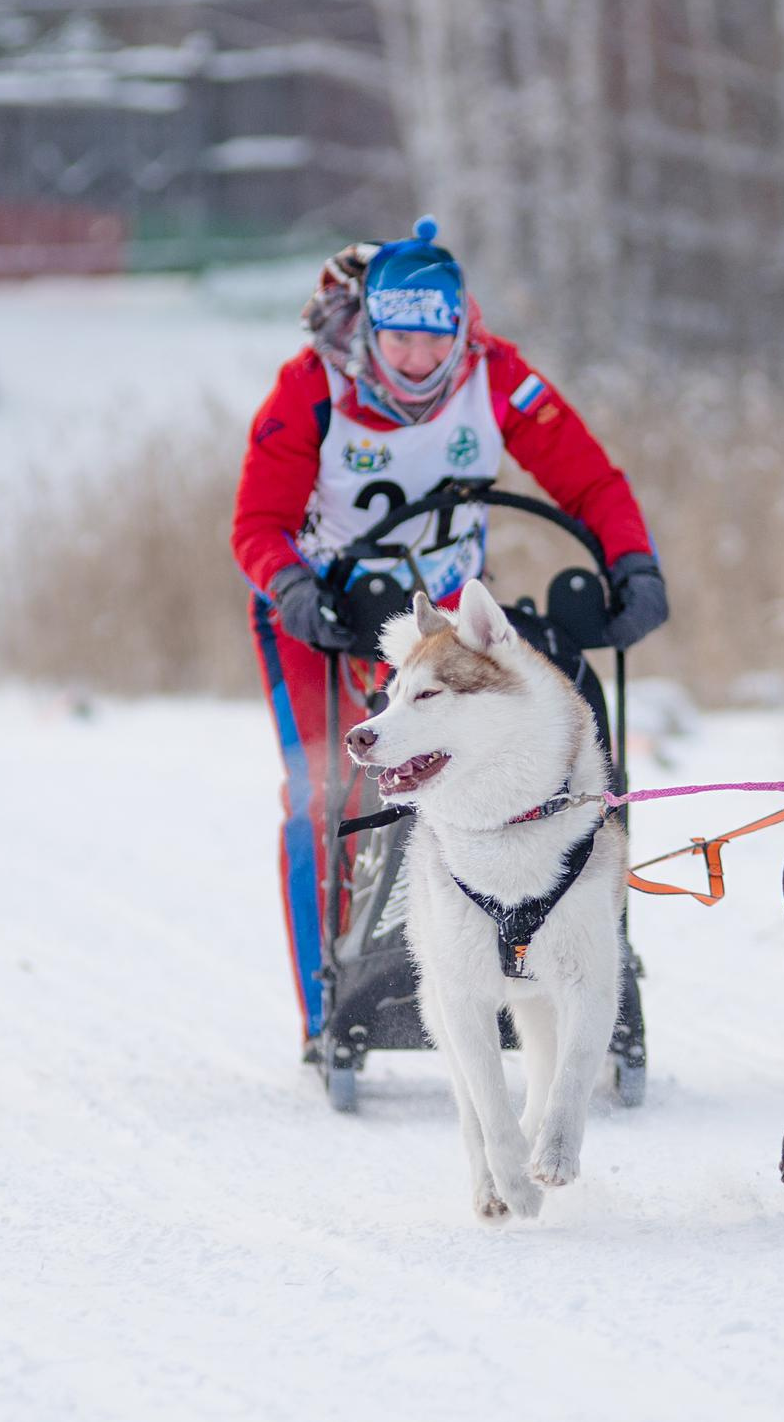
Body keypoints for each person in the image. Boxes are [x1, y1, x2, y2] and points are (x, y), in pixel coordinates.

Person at [230, 218, 668, 1047]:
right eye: (400, 342)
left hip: (446, 615)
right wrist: (292, 585)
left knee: (526, 760)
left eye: (436, 343)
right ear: (371, 328)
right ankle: (327, 1006)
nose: (420, 363)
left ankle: (562, 951)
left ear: (460, 328)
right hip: (319, 610)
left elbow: (589, 478)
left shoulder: (493, 373)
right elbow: (257, 520)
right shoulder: (313, 385)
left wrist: (634, 562)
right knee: (325, 792)